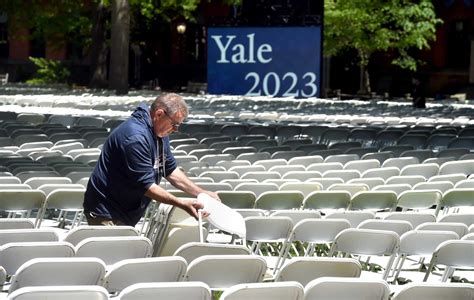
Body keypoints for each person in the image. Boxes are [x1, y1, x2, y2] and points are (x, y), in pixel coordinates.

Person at [83, 93, 218, 226]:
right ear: (159, 114)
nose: (176, 129)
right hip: (106, 210)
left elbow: (170, 169)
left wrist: (202, 193)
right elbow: (146, 185)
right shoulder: (135, 137)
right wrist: (181, 203)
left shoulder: (158, 130)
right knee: (114, 248)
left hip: (125, 210)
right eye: (174, 124)